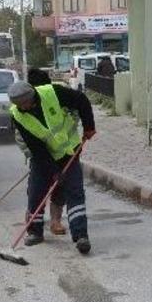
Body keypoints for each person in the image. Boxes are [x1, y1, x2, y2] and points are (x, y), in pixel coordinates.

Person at [8, 79, 96, 254]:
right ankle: (35, 232)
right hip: (42, 157)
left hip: (68, 152)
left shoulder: (53, 93)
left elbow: (81, 100)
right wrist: (54, 171)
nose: (23, 108)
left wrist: (89, 126)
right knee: (36, 192)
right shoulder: (17, 115)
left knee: (74, 192)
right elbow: (36, 148)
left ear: (32, 96)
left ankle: (81, 236)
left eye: (25, 103)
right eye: (19, 105)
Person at [24, 68, 66, 236]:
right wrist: (32, 153)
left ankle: (55, 221)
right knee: (36, 188)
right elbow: (21, 137)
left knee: (59, 186)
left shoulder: (57, 97)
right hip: (38, 156)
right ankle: (33, 217)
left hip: (60, 153)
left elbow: (72, 118)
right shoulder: (22, 103)